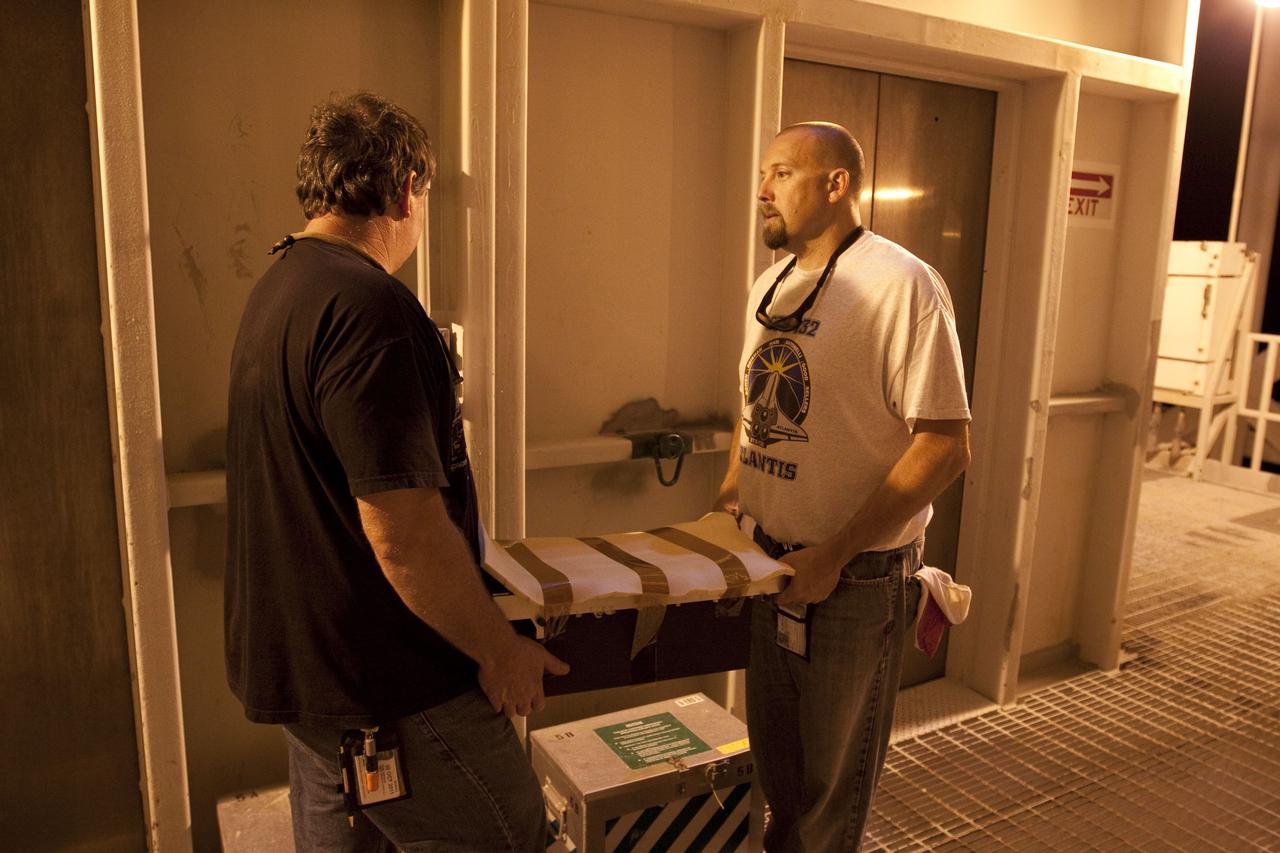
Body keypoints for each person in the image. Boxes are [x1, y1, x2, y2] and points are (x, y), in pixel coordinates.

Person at [225, 92, 567, 853]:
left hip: (307, 678)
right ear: (409, 188)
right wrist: (498, 651)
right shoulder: (371, 308)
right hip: (392, 687)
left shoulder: (278, 289)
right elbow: (404, 532)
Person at [715, 122, 971, 851]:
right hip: (771, 570)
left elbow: (946, 444)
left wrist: (835, 552)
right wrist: (726, 504)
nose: (763, 191)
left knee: (830, 803)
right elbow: (754, 409)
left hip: (853, 584)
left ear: (837, 184)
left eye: (782, 173)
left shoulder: (904, 285)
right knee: (781, 786)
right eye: (763, 174)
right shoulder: (771, 286)